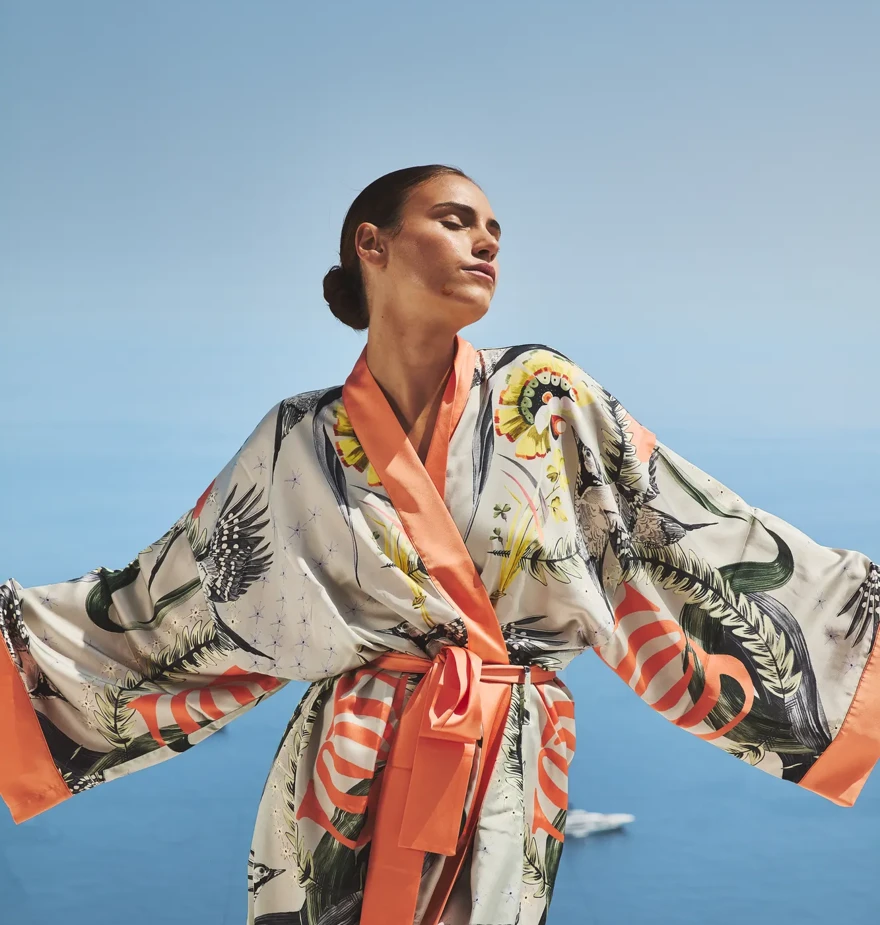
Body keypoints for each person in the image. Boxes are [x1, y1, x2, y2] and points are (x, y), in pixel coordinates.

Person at [1, 164, 878, 925]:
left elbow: (685, 543)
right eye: (455, 219)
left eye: (496, 229)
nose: (485, 241)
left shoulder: (543, 398)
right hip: (336, 785)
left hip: (503, 763)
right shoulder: (295, 440)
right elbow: (171, 606)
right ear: (371, 245)